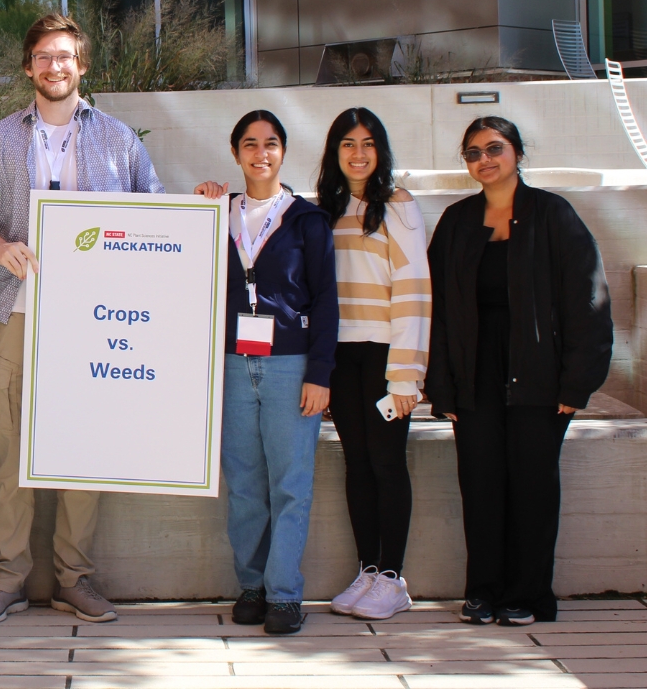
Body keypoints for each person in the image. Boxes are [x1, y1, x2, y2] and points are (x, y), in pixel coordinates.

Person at [0, 13, 164, 626]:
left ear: (82, 66)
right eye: (44, 57)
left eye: (66, 56)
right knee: (12, 456)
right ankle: (7, 581)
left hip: (96, 320)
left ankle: (74, 578)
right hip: (16, 315)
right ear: (29, 67)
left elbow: (155, 213)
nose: (56, 66)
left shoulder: (119, 138)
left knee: (85, 450)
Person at [427, 116, 612, 626]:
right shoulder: (457, 222)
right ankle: (483, 591)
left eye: (494, 148)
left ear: (517, 153)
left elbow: (589, 301)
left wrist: (578, 383)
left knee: (533, 487)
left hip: (540, 378)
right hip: (475, 377)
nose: (484, 160)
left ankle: (527, 594)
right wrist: (441, 386)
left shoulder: (554, 215)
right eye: (472, 153)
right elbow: (437, 309)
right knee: (481, 484)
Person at [194, 110, 337, 635]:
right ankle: (251, 585)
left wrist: (320, 374)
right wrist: (199, 209)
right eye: (250, 144)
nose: (261, 153)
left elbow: (326, 303)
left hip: (290, 366)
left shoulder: (308, 220)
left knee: (291, 484)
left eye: (271, 143)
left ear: (283, 151)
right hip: (232, 365)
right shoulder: (217, 213)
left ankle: (283, 594)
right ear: (236, 153)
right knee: (247, 485)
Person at [314, 108, 431, 621]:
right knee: (356, 463)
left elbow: (414, 291)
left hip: (386, 356)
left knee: (386, 463)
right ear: (334, 151)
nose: (358, 154)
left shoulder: (398, 206)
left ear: (380, 150)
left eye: (368, 143)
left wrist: (406, 375)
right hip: (343, 356)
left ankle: (392, 577)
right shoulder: (326, 207)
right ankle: (367, 569)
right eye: (347, 143)